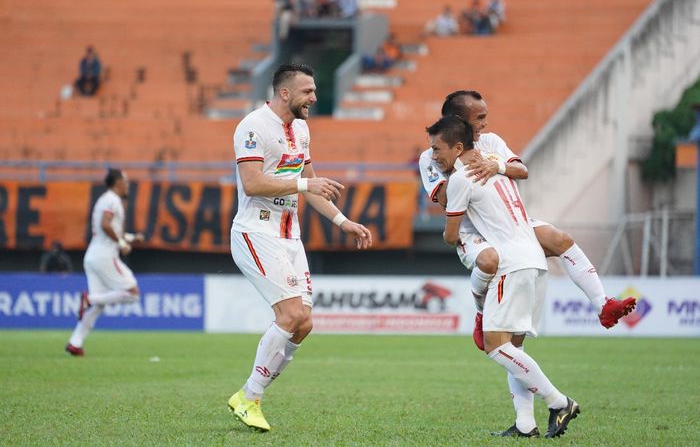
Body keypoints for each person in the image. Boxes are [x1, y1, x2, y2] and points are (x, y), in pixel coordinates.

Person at [418, 90, 636, 349]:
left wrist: (496, 166)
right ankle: (481, 314)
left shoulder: (491, 142)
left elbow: (522, 170)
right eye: (479, 117)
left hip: (507, 220)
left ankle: (604, 305)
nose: (485, 123)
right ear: (459, 121)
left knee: (560, 239)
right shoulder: (431, 156)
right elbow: (445, 199)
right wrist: (459, 164)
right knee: (488, 261)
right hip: (471, 228)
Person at [228, 63, 372, 432]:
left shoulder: (302, 130)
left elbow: (312, 185)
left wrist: (343, 222)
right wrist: (307, 187)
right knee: (291, 316)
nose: (314, 97)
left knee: (304, 324)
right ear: (285, 93)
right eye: (308, 91)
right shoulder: (252, 126)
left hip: (290, 236)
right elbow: (253, 184)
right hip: (256, 233)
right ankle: (250, 397)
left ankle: (248, 395)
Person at [430, 115, 580, 438]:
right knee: (513, 346)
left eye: (437, 149)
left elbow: (451, 234)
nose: (433, 156)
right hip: (535, 261)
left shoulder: (460, 178)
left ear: (458, 147)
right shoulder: (496, 165)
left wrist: (454, 229)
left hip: (510, 265)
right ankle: (526, 425)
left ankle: (558, 401)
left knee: (496, 347)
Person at [65, 169, 144, 357]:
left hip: (93, 256)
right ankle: (88, 299)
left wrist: (131, 238)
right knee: (133, 293)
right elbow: (105, 225)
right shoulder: (112, 200)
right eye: (125, 181)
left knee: (98, 304)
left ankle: (75, 343)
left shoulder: (105, 199)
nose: (128, 185)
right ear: (117, 182)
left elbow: (111, 229)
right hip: (104, 256)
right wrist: (122, 243)